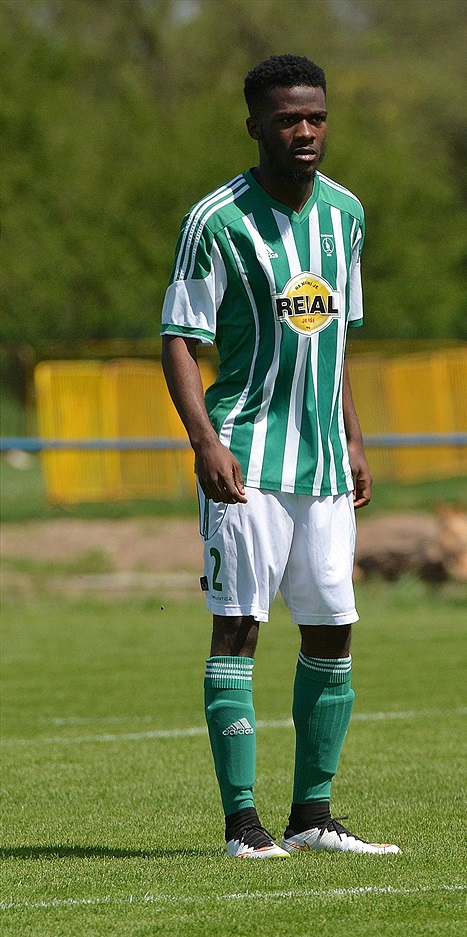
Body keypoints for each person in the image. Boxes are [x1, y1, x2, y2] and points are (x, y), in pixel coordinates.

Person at [161, 54, 400, 859]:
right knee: (239, 628)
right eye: (289, 118)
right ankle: (242, 826)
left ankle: (313, 817)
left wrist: (356, 438)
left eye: (317, 117)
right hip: (248, 461)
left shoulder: (348, 216)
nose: (306, 132)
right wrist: (205, 442)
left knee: (333, 630)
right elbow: (180, 342)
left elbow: (332, 343)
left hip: (325, 467)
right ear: (255, 124)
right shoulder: (216, 219)